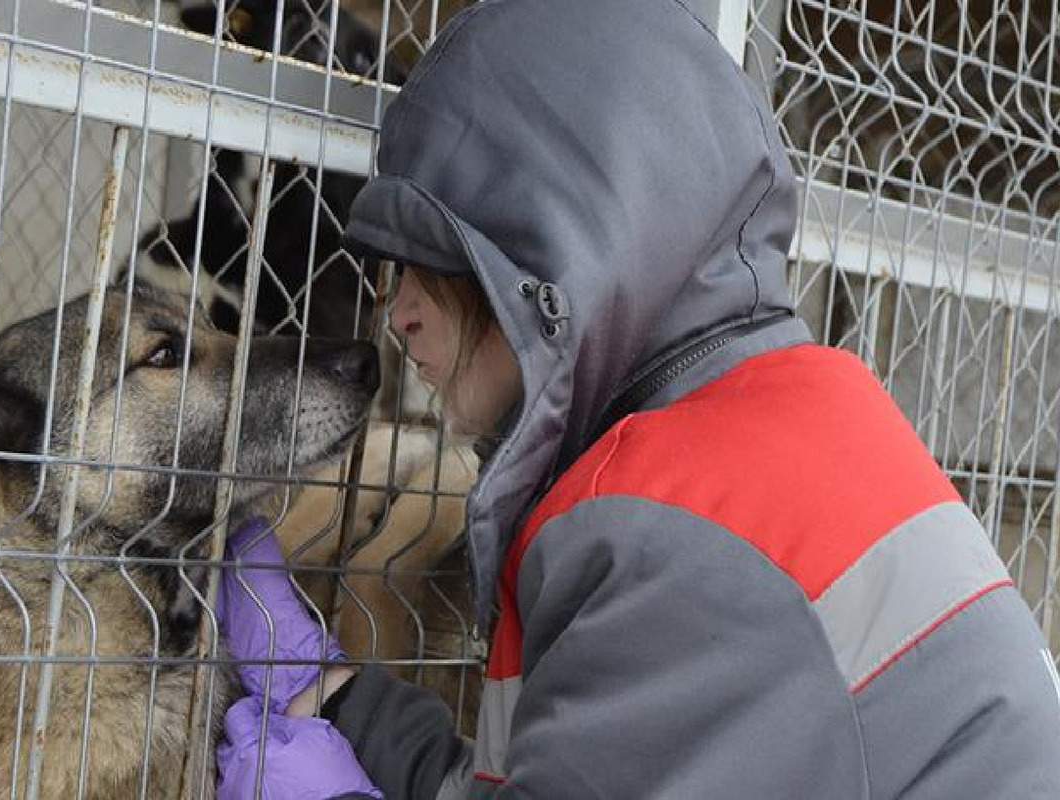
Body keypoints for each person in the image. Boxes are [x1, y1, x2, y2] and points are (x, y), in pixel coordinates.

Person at [215, 0, 1060, 797]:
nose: (395, 313)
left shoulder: (661, 521)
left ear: (550, 258)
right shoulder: (791, 416)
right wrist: (339, 698)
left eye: (427, 265)